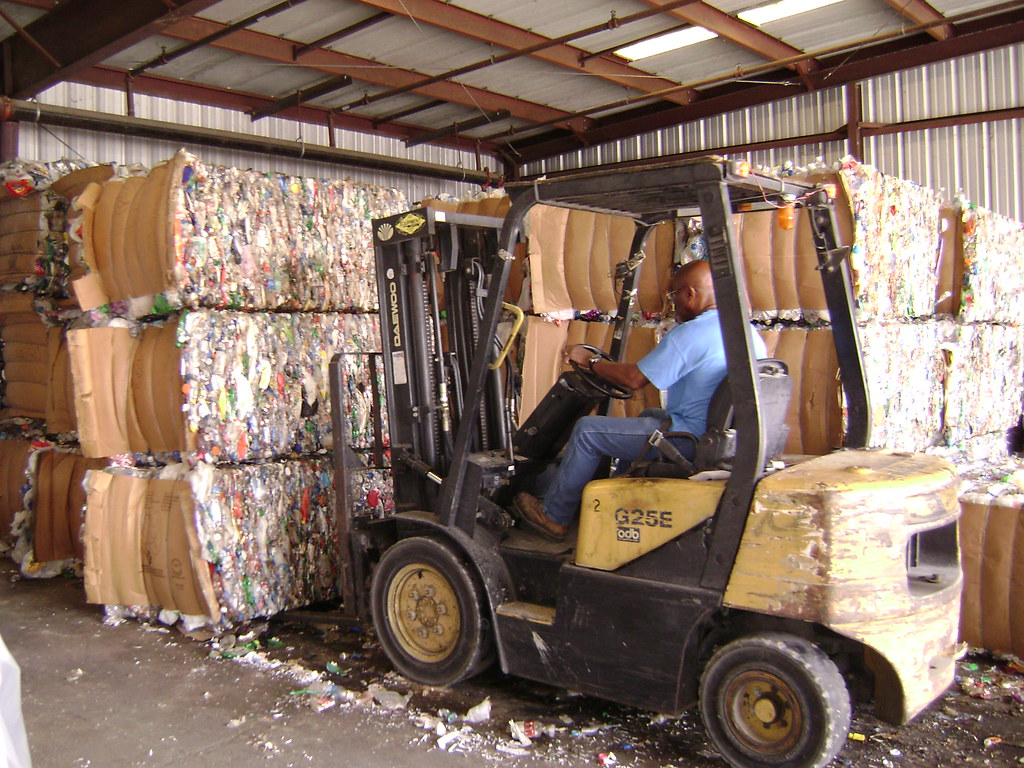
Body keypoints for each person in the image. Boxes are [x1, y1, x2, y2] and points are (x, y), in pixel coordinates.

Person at [513, 259, 766, 541]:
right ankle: (614, 500)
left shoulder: (692, 334)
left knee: (588, 431)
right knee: (650, 415)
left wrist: (590, 360)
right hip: (721, 439)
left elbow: (634, 379)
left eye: (675, 296)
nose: (673, 305)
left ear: (690, 294)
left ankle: (554, 516)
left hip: (691, 440)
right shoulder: (744, 332)